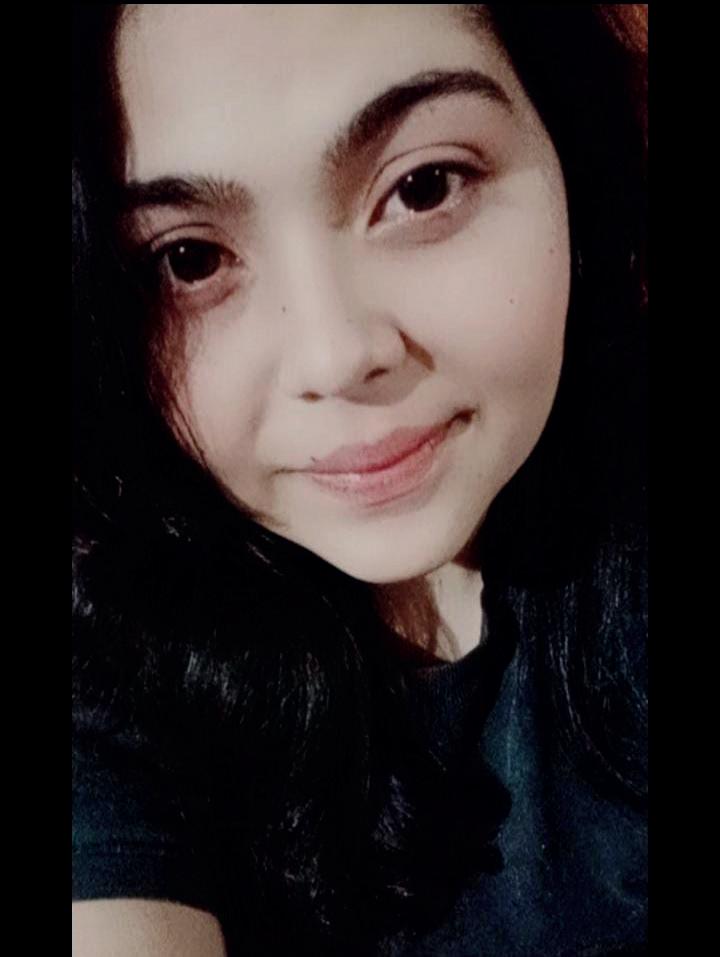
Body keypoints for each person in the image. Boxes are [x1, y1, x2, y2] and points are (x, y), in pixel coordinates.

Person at [72, 4, 647, 955]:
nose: (335, 356)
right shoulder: (108, 672)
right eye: (190, 260)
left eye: (423, 187)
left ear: (569, 156)